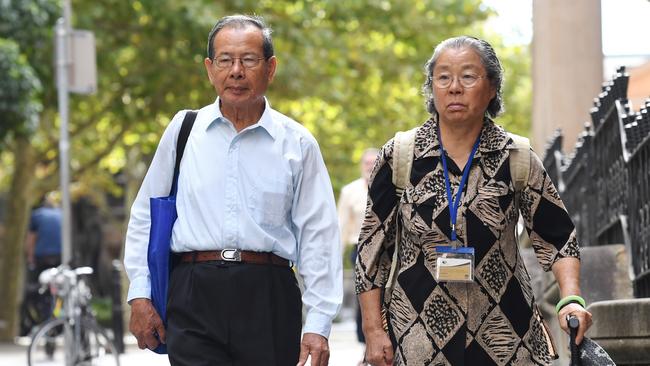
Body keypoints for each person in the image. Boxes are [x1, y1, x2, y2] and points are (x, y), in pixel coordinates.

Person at [355, 36, 592, 366]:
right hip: (418, 336)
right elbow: (371, 251)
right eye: (443, 77)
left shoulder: (517, 157)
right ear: (432, 87)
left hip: (505, 335)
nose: (454, 87)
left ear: (492, 87)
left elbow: (558, 239)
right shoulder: (400, 156)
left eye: (468, 76)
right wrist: (373, 330)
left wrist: (571, 297)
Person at [124, 15, 342, 366]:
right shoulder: (184, 131)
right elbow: (145, 218)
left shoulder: (297, 143)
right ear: (210, 69)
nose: (236, 71)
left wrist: (318, 324)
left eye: (249, 60)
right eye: (225, 60)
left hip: (268, 293)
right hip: (193, 291)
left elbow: (319, 236)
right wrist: (140, 294)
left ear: (270, 69)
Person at [337, 148, 378, 363]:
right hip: (359, 250)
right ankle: (365, 348)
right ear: (362, 165)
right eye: (367, 163)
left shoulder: (388, 186)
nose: (370, 166)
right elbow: (341, 226)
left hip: (384, 252)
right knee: (364, 300)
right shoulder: (350, 191)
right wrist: (334, 259)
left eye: (374, 162)